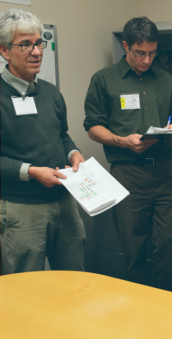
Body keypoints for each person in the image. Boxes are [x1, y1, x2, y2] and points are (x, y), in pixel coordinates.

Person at [84, 16, 172, 292]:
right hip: (127, 173)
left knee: (169, 249)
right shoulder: (104, 80)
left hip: (165, 172)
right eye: (140, 53)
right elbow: (92, 127)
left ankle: (169, 309)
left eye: (152, 53)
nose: (146, 60)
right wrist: (122, 140)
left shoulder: (166, 81)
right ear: (126, 46)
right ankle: (139, 317)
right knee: (133, 249)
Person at [0, 9, 86, 273]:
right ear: (4, 51)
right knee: (27, 291)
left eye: (39, 43)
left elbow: (62, 134)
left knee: (75, 281)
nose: (36, 51)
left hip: (64, 202)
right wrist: (32, 172)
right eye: (25, 44)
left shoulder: (50, 92)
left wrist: (73, 152)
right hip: (22, 208)